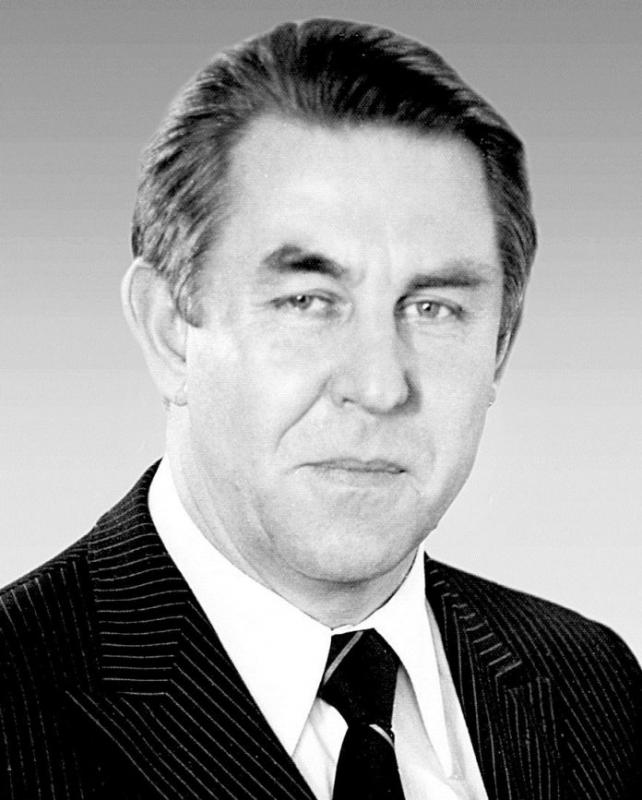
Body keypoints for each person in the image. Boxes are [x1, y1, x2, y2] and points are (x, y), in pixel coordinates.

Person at [1, 17, 639, 800]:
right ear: (171, 332)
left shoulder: (596, 687)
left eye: (434, 308)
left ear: (500, 345)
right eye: (307, 300)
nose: (380, 386)